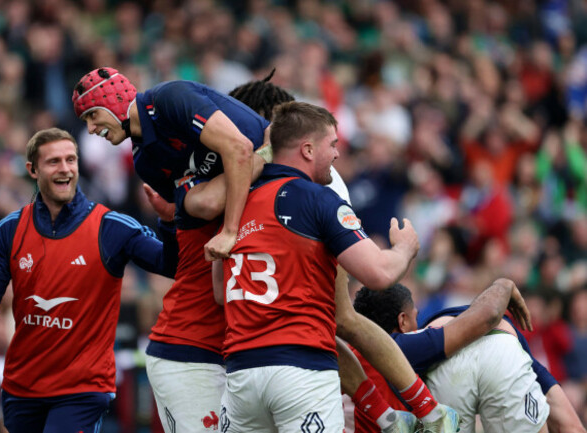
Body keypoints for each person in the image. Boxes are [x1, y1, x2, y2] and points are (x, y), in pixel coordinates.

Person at [217, 101, 459, 433]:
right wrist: (405, 249)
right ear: (307, 149)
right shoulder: (319, 197)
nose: (337, 154)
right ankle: (425, 414)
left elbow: (220, 291)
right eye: (332, 144)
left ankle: (396, 416)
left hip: (240, 376)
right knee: (346, 319)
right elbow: (379, 274)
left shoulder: (236, 201)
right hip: (299, 370)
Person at [0, 128, 178, 433]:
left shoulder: (111, 227)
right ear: (32, 170)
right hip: (22, 387)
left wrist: (168, 223)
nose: (65, 169)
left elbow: (171, 264)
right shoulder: (9, 230)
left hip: (82, 389)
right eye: (54, 162)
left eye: (71, 160)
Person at [72, 67, 270, 261]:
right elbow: (208, 204)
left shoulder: (169, 98)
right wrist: (264, 152)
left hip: (278, 174)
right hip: (251, 199)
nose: (90, 129)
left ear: (116, 99)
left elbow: (239, 148)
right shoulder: (144, 162)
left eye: (92, 115)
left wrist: (229, 231)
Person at [354, 280, 585, 433]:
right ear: (403, 321)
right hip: (502, 343)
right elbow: (570, 424)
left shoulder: (350, 356)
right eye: (416, 316)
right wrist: (503, 285)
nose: (419, 322)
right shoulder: (408, 344)